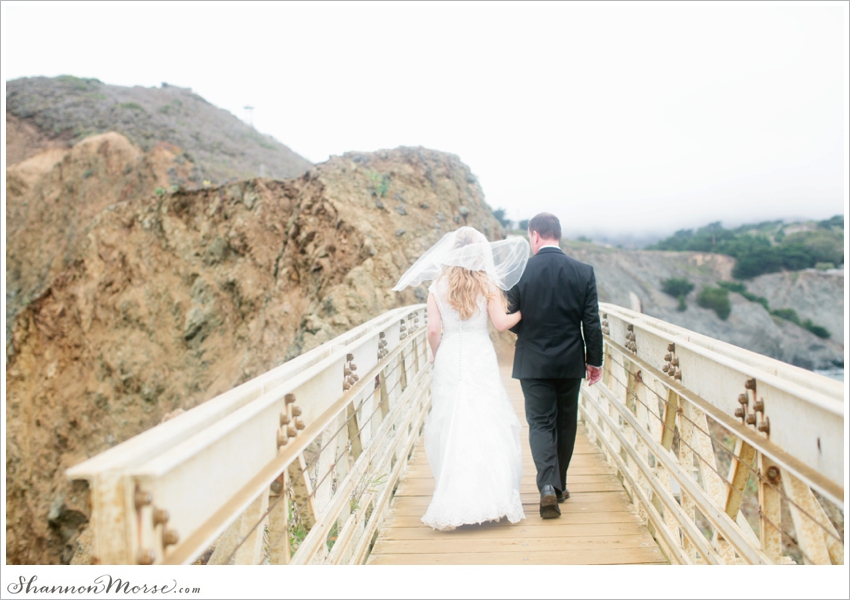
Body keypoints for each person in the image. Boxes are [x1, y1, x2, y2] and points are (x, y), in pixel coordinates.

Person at [392, 227, 530, 530]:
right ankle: (492, 497)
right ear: (480, 252)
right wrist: (524, 312)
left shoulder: (437, 286)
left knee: (452, 419)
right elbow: (501, 323)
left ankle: (453, 496)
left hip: (451, 354)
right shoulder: (488, 283)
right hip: (479, 353)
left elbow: (432, 331)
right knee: (486, 417)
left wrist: (434, 353)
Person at [506, 213, 603, 519]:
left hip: (533, 361)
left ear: (534, 236)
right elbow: (592, 322)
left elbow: (511, 317)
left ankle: (547, 486)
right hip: (569, 360)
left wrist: (530, 334)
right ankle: (560, 486)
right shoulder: (583, 272)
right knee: (565, 422)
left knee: (540, 423)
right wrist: (594, 361)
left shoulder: (519, 272)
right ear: (557, 235)